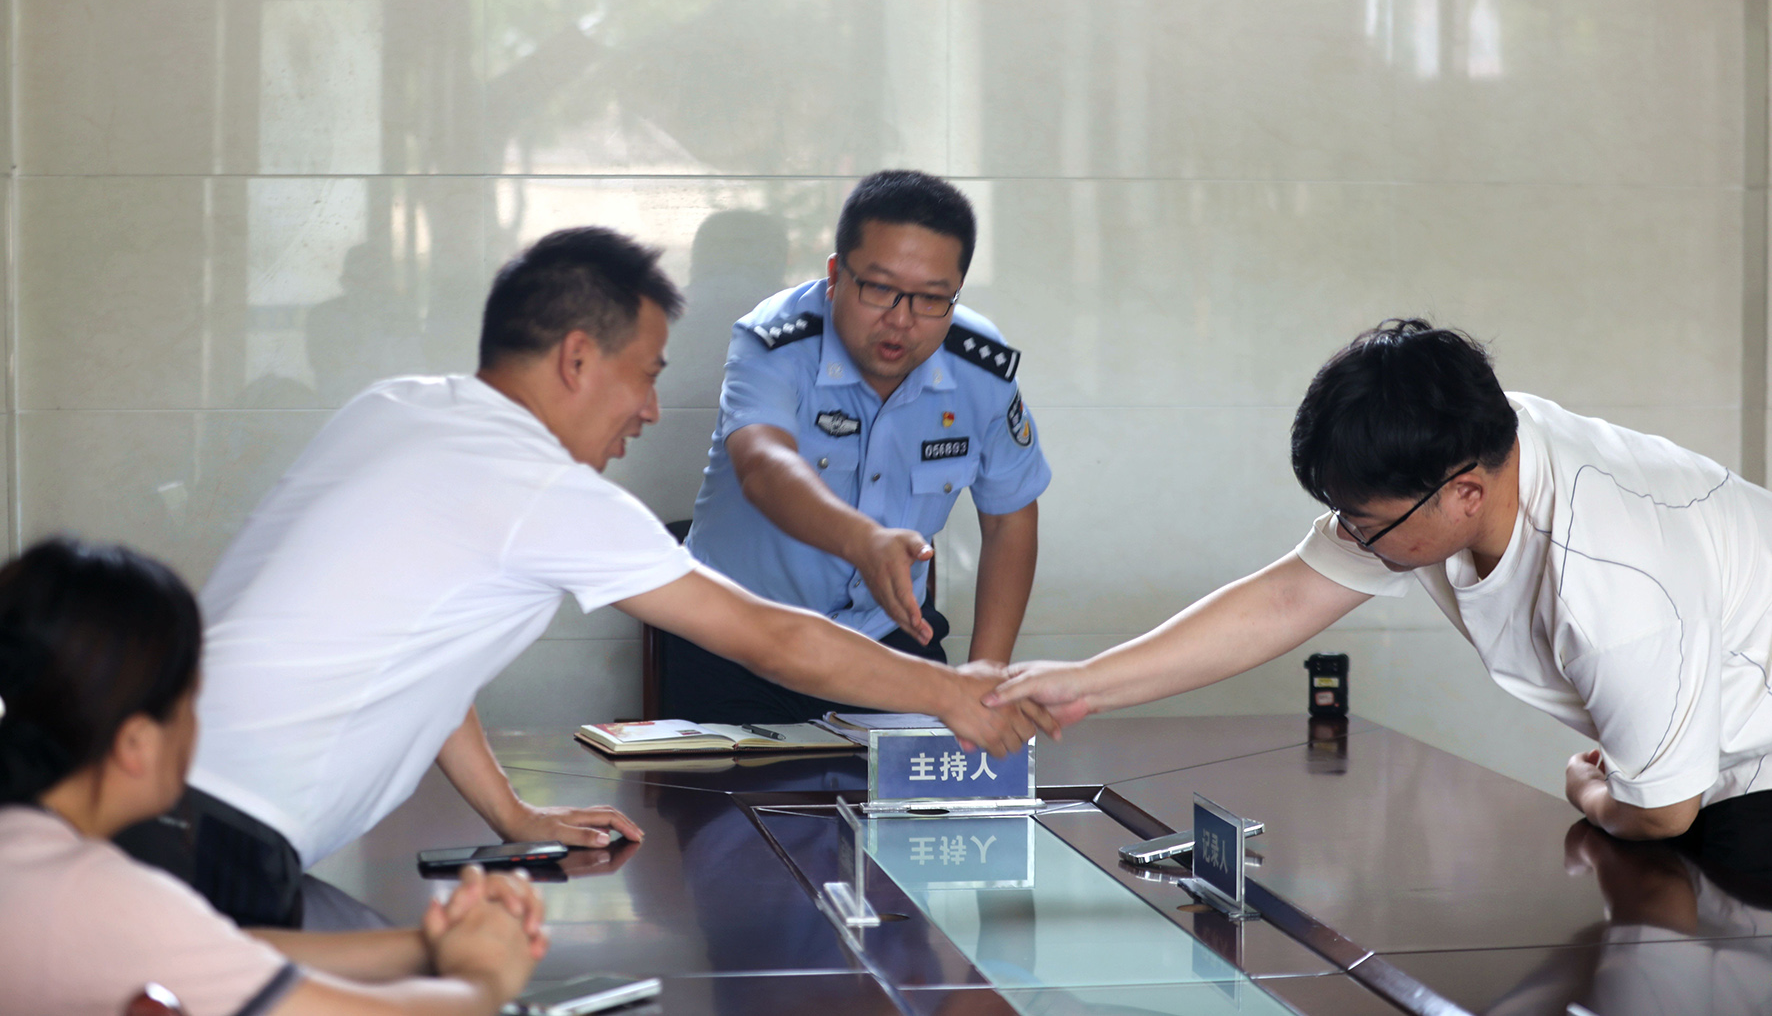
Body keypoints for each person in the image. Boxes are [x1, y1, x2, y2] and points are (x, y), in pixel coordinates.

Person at [143, 225, 1050, 928]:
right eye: (644, 376)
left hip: (144, 789)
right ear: (577, 358)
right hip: (213, 833)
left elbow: (422, 652)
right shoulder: (542, 486)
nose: (650, 409)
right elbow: (771, 636)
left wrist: (513, 814)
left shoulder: (394, 409)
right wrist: (952, 693)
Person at [990, 318, 1772, 863]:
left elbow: (1662, 812)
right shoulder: (1472, 448)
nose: (1353, 541)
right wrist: (1083, 681)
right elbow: (1288, 596)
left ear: (1464, 494)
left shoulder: (1613, 582)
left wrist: (1585, 788)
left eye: (1363, 525)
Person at [0, 537, 547, 1016]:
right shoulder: (94, 896)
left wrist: (434, 942)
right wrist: (485, 975)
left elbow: (222, 949)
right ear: (136, 744)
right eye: (191, 700)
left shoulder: (31, 858)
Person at [670, 171, 1051, 722]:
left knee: (929, 777)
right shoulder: (775, 339)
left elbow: (1009, 519)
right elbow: (762, 466)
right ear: (835, 276)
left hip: (883, 640)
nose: (901, 319)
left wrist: (985, 681)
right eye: (878, 288)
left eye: (931, 298)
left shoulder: (979, 365)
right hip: (736, 638)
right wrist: (863, 542)